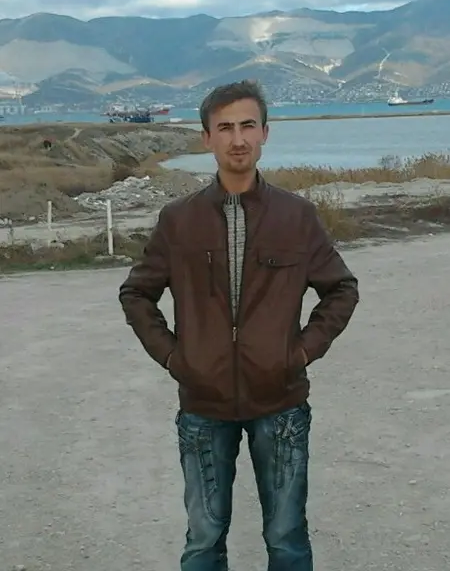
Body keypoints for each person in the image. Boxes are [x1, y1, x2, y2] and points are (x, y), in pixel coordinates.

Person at [118, 79, 359, 570]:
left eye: (248, 125)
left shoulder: (297, 216)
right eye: (225, 128)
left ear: (265, 132)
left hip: (281, 404)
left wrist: (299, 352)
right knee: (204, 540)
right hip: (203, 406)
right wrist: (175, 357)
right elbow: (136, 293)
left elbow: (341, 289)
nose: (238, 139)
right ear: (207, 138)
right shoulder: (178, 220)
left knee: (287, 538)